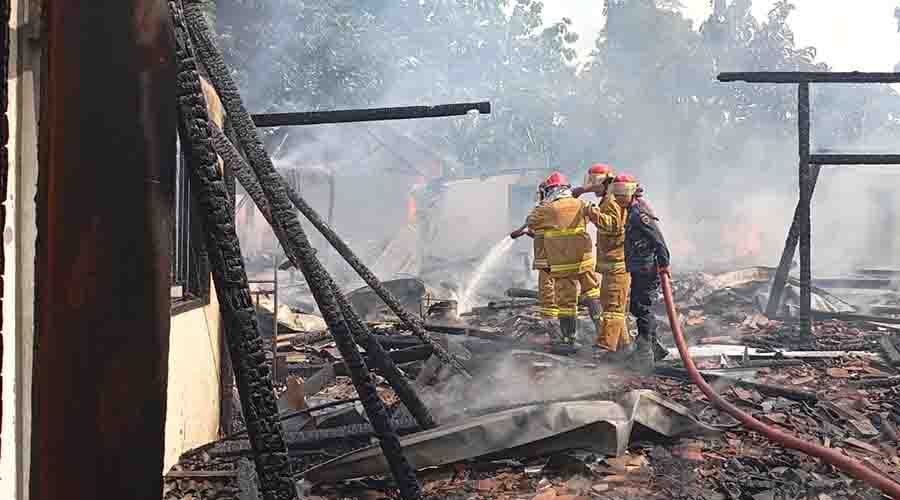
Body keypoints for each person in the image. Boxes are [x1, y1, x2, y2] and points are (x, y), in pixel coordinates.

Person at [526, 171, 603, 351]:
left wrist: (544, 204)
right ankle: (604, 334)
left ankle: (569, 340)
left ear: (551, 190)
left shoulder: (547, 209)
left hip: (563, 264)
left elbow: (531, 221)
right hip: (584, 260)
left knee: (566, 303)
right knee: (592, 293)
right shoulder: (580, 203)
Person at [614, 174, 671, 373]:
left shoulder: (639, 214)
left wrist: (664, 264)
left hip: (646, 268)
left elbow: (658, 239)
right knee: (638, 307)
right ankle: (654, 348)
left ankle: (645, 356)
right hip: (639, 267)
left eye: (621, 193)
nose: (618, 198)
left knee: (642, 309)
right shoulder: (632, 210)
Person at [578, 164, 633, 359]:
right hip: (613, 263)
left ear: (606, 182)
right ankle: (624, 347)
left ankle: (605, 346)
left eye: (595, 183)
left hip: (618, 263)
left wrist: (590, 211)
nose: (593, 188)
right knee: (613, 306)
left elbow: (613, 227)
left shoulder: (610, 200)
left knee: (612, 308)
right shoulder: (610, 198)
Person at [510, 181, 559, 340]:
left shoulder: (548, 207)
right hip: (553, 257)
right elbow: (543, 234)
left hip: (549, 259)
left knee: (548, 292)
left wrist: (521, 230)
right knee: (552, 291)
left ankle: (552, 326)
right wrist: (527, 233)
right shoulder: (557, 208)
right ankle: (554, 324)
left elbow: (533, 221)